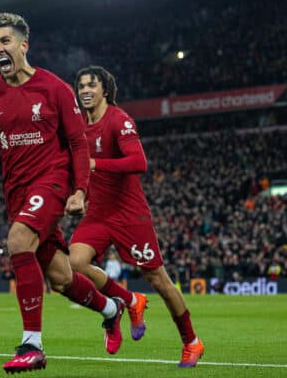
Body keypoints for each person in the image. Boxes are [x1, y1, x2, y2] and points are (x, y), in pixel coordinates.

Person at [0, 13, 125, 374]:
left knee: (17, 240)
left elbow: (77, 143)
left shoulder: (55, 88)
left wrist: (79, 190)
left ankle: (32, 345)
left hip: (53, 181)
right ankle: (111, 309)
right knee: (60, 278)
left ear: (23, 45)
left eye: (4, 41)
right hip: (17, 191)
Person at [69, 66, 204, 367]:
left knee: (158, 279)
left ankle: (192, 341)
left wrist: (95, 164)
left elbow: (139, 162)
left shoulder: (119, 120)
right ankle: (129, 301)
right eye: (81, 86)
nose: (86, 90)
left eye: (92, 85)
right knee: (74, 263)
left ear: (105, 90)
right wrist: (77, 194)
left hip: (130, 214)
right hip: (97, 214)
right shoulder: (78, 126)